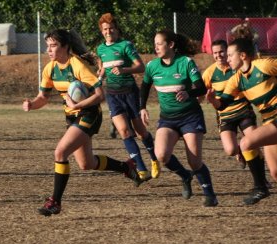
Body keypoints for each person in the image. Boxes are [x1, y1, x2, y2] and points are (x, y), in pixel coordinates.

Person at [22, 29, 143, 216]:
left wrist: (77, 104)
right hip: (72, 117)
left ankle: (55, 202)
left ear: (65, 47)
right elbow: (43, 97)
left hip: (89, 114)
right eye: (47, 46)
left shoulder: (77, 65)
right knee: (86, 163)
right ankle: (126, 167)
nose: (49, 50)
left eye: (53, 46)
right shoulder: (50, 69)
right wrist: (32, 104)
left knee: (60, 152)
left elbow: (99, 95)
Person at [206, 38, 277, 219]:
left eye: (230, 55)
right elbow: (223, 105)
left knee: (246, 142)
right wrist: (214, 101)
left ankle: (260, 187)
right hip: (270, 123)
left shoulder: (264, 65)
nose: (227, 59)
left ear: (243, 55)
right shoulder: (237, 79)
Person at [140, 29, 218, 207]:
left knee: (194, 160)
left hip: (190, 117)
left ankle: (210, 194)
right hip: (168, 119)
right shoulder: (152, 66)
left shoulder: (185, 63)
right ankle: (185, 176)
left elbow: (200, 88)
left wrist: (187, 93)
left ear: (171, 45)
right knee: (161, 155)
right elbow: (144, 87)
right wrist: (142, 107)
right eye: (155, 44)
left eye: (159, 43)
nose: (156, 47)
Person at [202, 39, 271, 205]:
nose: (219, 55)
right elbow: (200, 90)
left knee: (254, 143)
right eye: (215, 52)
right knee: (231, 150)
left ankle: (261, 182)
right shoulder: (209, 73)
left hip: (244, 112)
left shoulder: (237, 68)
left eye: (222, 51)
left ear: (228, 52)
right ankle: (240, 151)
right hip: (225, 117)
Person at [96, 13, 160, 181]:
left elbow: (140, 67)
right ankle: (141, 168)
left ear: (117, 29)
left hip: (130, 93)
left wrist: (124, 70)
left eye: (111, 28)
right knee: (124, 131)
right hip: (112, 95)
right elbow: (103, 67)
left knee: (140, 132)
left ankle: (154, 159)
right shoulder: (100, 49)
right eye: (105, 29)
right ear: (101, 31)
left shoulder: (125, 45)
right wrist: (99, 76)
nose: (108, 32)